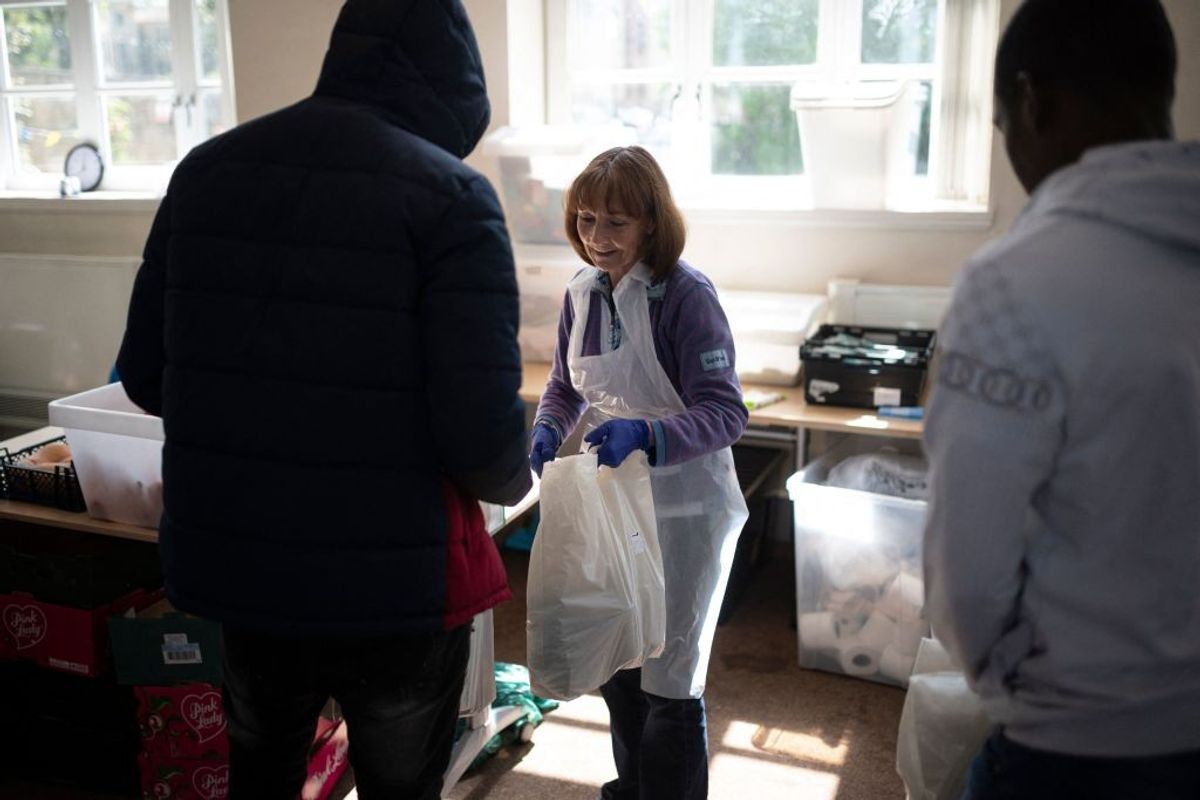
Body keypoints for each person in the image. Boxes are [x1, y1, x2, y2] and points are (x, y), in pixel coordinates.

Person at [115, 1, 531, 797]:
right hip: (394, 580)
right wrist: (519, 481)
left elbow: (145, 375)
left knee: (263, 773)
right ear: (455, 80)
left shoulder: (206, 170)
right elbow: (480, 441)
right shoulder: (451, 196)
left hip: (247, 563)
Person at [921, 1, 1200, 798]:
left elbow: (967, 572)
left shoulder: (1017, 283)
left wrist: (1010, 687)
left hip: (1083, 739)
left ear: (1034, 102)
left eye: (1005, 124)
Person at [530, 145, 749, 800]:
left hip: (685, 504)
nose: (598, 239)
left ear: (651, 221)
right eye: (587, 220)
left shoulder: (686, 296)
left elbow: (726, 411)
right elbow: (566, 383)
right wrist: (546, 423)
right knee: (621, 658)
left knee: (672, 675)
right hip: (613, 499)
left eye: (616, 223)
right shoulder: (583, 292)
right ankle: (635, 789)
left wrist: (650, 435)